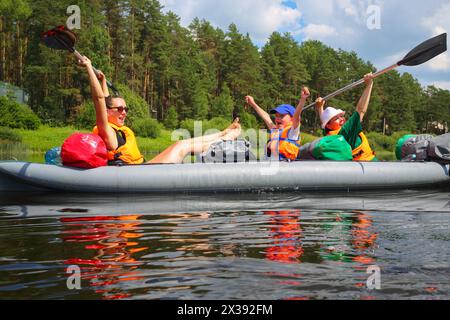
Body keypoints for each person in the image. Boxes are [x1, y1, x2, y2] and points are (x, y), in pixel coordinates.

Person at [78, 56, 241, 165]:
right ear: (107, 112)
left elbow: (105, 100)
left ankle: (223, 134)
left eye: (126, 108)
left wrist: (103, 80)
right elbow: (100, 100)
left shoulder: (116, 127)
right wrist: (89, 68)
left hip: (142, 168)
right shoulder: (106, 130)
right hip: (135, 174)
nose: (124, 112)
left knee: (185, 143)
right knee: (181, 146)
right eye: (119, 109)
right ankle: (225, 139)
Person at [315, 73, 377, 161]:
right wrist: (369, 85)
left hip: (356, 167)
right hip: (370, 164)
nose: (342, 119)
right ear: (329, 125)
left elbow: (324, 123)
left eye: (341, 116)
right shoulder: (345, 132)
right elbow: (361, 110)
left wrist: (319, 107)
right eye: (337, 118)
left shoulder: (329, 137)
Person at [245, 87, 310, 161]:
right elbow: (266, 117)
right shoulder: (275, 130)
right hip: (272, 165)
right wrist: (253, 104)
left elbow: (296, 117)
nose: (278, 118)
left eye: (282, 116)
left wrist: (302, 100)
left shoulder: (293, 132)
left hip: (286, 165)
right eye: (276, 116)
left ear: (291, 119)